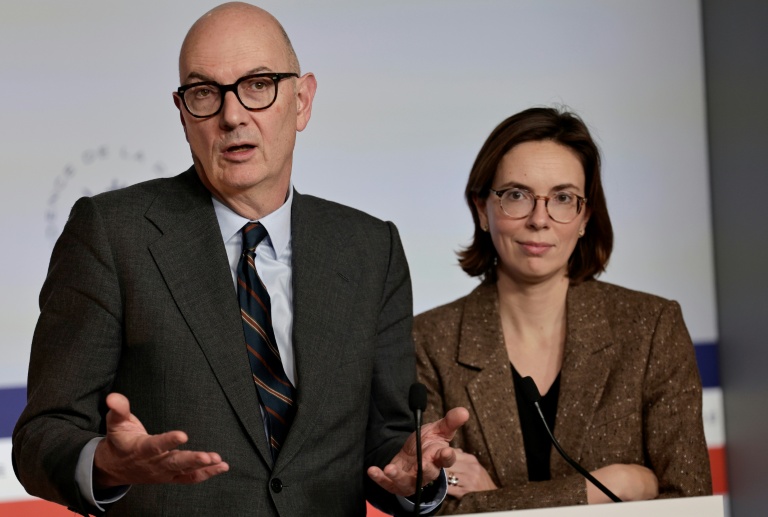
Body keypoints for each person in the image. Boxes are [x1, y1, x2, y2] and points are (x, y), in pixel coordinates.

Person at [12, 3, 468, 516]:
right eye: (204, 93)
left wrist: (413, 478)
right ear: (182, 113)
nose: (231, 116)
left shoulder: (370, 248)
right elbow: (42, 434)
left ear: (302, 101)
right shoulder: (113, 234)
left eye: (257, 85)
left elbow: (387, 445)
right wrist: (106, 463)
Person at [413, 106, 712, 513]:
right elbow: (438, 511)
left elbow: (690, 503)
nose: (540, 219)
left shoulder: (652, 327)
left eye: (563, 198)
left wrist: (490, 500)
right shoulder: (428, 341)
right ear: (482, 209)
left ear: (585, 215)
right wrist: (613, 485)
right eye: (516, 195)